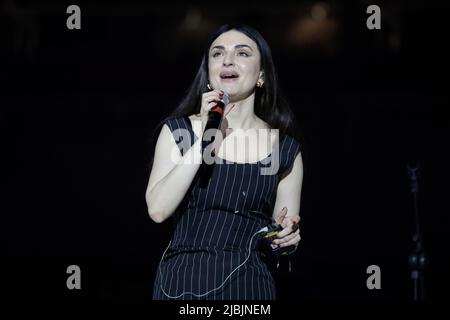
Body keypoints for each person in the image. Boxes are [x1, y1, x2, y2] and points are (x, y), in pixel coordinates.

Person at [146, 24, 303, 300]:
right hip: (181, 285)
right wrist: (207, 136)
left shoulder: (283, 149)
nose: (228, 60)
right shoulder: (180, 132)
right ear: (209, 73)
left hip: (249, 287)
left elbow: (280, 232)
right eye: (217, 54)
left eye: (242, 53)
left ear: (262, 74)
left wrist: (286, 239)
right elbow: (158, 210)